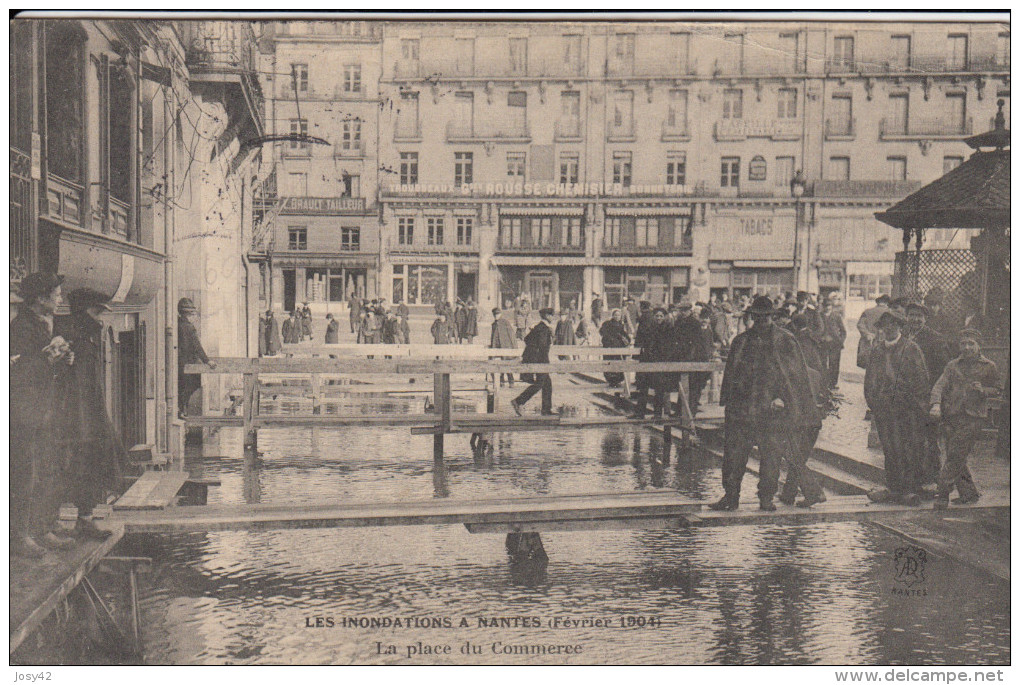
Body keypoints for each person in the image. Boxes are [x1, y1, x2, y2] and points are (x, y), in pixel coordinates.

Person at [711, 296, 823, 512]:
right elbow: (731, 373)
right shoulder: (741, 341)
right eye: (758, 317)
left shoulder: (785, 340)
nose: (761, 321)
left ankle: (766, 498)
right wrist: (728, 402)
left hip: (772, 411)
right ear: (752, 316)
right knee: (733, 457)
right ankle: (731, 496)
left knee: (771, 457)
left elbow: (795, 377)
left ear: (771, 317)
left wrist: (784, 398)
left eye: (766, 317)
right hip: (742, 410)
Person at [10, 272, 77, 556]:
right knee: (24, 474)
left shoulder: (41, 323)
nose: (60, 299)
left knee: (47, 468)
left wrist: (63, 360)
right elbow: (15, 371)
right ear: (40, 298)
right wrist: (47, 359)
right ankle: (18, 537)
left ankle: (41, 528)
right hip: (23, 413)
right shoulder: (20, 327)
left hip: (43, 409)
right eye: (56, 294)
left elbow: (44, 368)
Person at [57, 288, 126, 539]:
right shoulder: (74, 336)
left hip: (89, 411)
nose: (101, 318)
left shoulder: (85, 334)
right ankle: (81, 520)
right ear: (86, 311)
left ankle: (84, 518)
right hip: (77, 415)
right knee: (80, 462)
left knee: (91, 461)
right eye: (97, 311)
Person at [863, 310, 930, 506]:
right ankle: (893, 487)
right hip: (884, 409)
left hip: (906, 410)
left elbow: (921, 380)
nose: (889, 328)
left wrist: (915, 406)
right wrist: (874, 403)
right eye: (885, 325)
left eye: (893, 324)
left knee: (907, 447)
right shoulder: (877, 350)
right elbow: (869, 381)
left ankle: (908, 488)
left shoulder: (910, 348)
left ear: (900, 326)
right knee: (889, 447)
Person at [929, 328, 1000, 509]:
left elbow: (998, 389)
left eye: (971, 344)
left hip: (973, 418)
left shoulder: (989, 366)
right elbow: (939, 386)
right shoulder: (952, 365)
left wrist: (983, 390)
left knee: (954, 455)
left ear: (978, 346)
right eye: (963, 344)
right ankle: (969, 494)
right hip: (952, 416)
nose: (967, 347)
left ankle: (942, 494)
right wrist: (935, 404)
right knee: (957, 454)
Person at [905, 301, 952, 486]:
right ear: (906, 317)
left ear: (925, 318)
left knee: (929, 437)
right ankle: (913, 476)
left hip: (926, 396)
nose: (915, 319)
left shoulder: (935, 339)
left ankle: (933, 477)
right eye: (912, 315)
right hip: (907, 397)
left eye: (919, 316)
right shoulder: (904, 335)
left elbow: (944, 370)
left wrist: (935, 398)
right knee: (909, 437)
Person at [511, 308, 555, 416]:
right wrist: (545, 363)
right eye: (551, 315)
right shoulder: (544, 329)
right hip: (540, 361)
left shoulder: (539, 327)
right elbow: (543, 347)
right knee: (541, 383)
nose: (553, 317)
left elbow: (527, 339)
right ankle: (518, 401)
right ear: (547, 316)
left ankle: (546, 409)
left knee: (547, 384)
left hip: (536, 359)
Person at [631, 308, 674, 419]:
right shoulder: (651, 328)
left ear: (665, 317)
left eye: (661, 316)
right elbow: (645, 343)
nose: (659, 318)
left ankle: (657, 414)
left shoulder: (668, 329)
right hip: (648, 360)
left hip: (660, 361)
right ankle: (640, 413)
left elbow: (667, 347)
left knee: (659, 389)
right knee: (643, 387)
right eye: (657, 316)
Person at [178, 298, 216, 418]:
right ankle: (183, 409)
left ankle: (182, 409)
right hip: (189, 362)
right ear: (187, 315)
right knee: (194, 383)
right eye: (193, 314)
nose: (194, 317)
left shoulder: (178, 324)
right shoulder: (189, 328)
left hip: (180, 362)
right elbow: (197, 346)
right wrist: (207, 361)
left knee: (183, 386)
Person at [819, 297, 847, 389]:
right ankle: (823, 383)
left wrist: (840, 341)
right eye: (826, 306)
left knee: (834, 364)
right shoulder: (819, 316)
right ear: (823, 306)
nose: (827, 308)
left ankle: (833, 383)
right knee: (823, 363)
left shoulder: (836, 316)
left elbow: (843, 331)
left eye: (829, 305)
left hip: (834, 343)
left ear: (832, 306)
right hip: (822, 343)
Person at [857, 294, 890, 369]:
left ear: (877, 302)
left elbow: (860, 325)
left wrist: (867, 334)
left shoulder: (867, 312)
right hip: (885, 342)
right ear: (887, 303)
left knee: (870, 367)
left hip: (869, 342)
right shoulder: (890, 313)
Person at [599, 309, 630, 387]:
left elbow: (625, 335)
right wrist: (611, 340)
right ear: (612, 316)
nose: (617, 317)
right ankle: (611, 381)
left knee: (619, 364)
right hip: (610, 348)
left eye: (618, 315)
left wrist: (627, 340)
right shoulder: (607, 324)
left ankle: (618, 381)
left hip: (619, 349)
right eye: (615, 315)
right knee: (610, 364)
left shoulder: (621, 325)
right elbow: (603, 333)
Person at [490, 307, 517, 387]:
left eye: (497, 314)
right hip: (497, 348)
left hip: (506, 347)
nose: (496, 316)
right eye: (495, 315)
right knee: (499, 365)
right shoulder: (494, 324)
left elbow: (511, 335)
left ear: (500, 314)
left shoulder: (505, 322)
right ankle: (501, 381)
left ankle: (511, 381)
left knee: (507, 365)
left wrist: (514, 348)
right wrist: (493, 347)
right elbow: (493, 337)